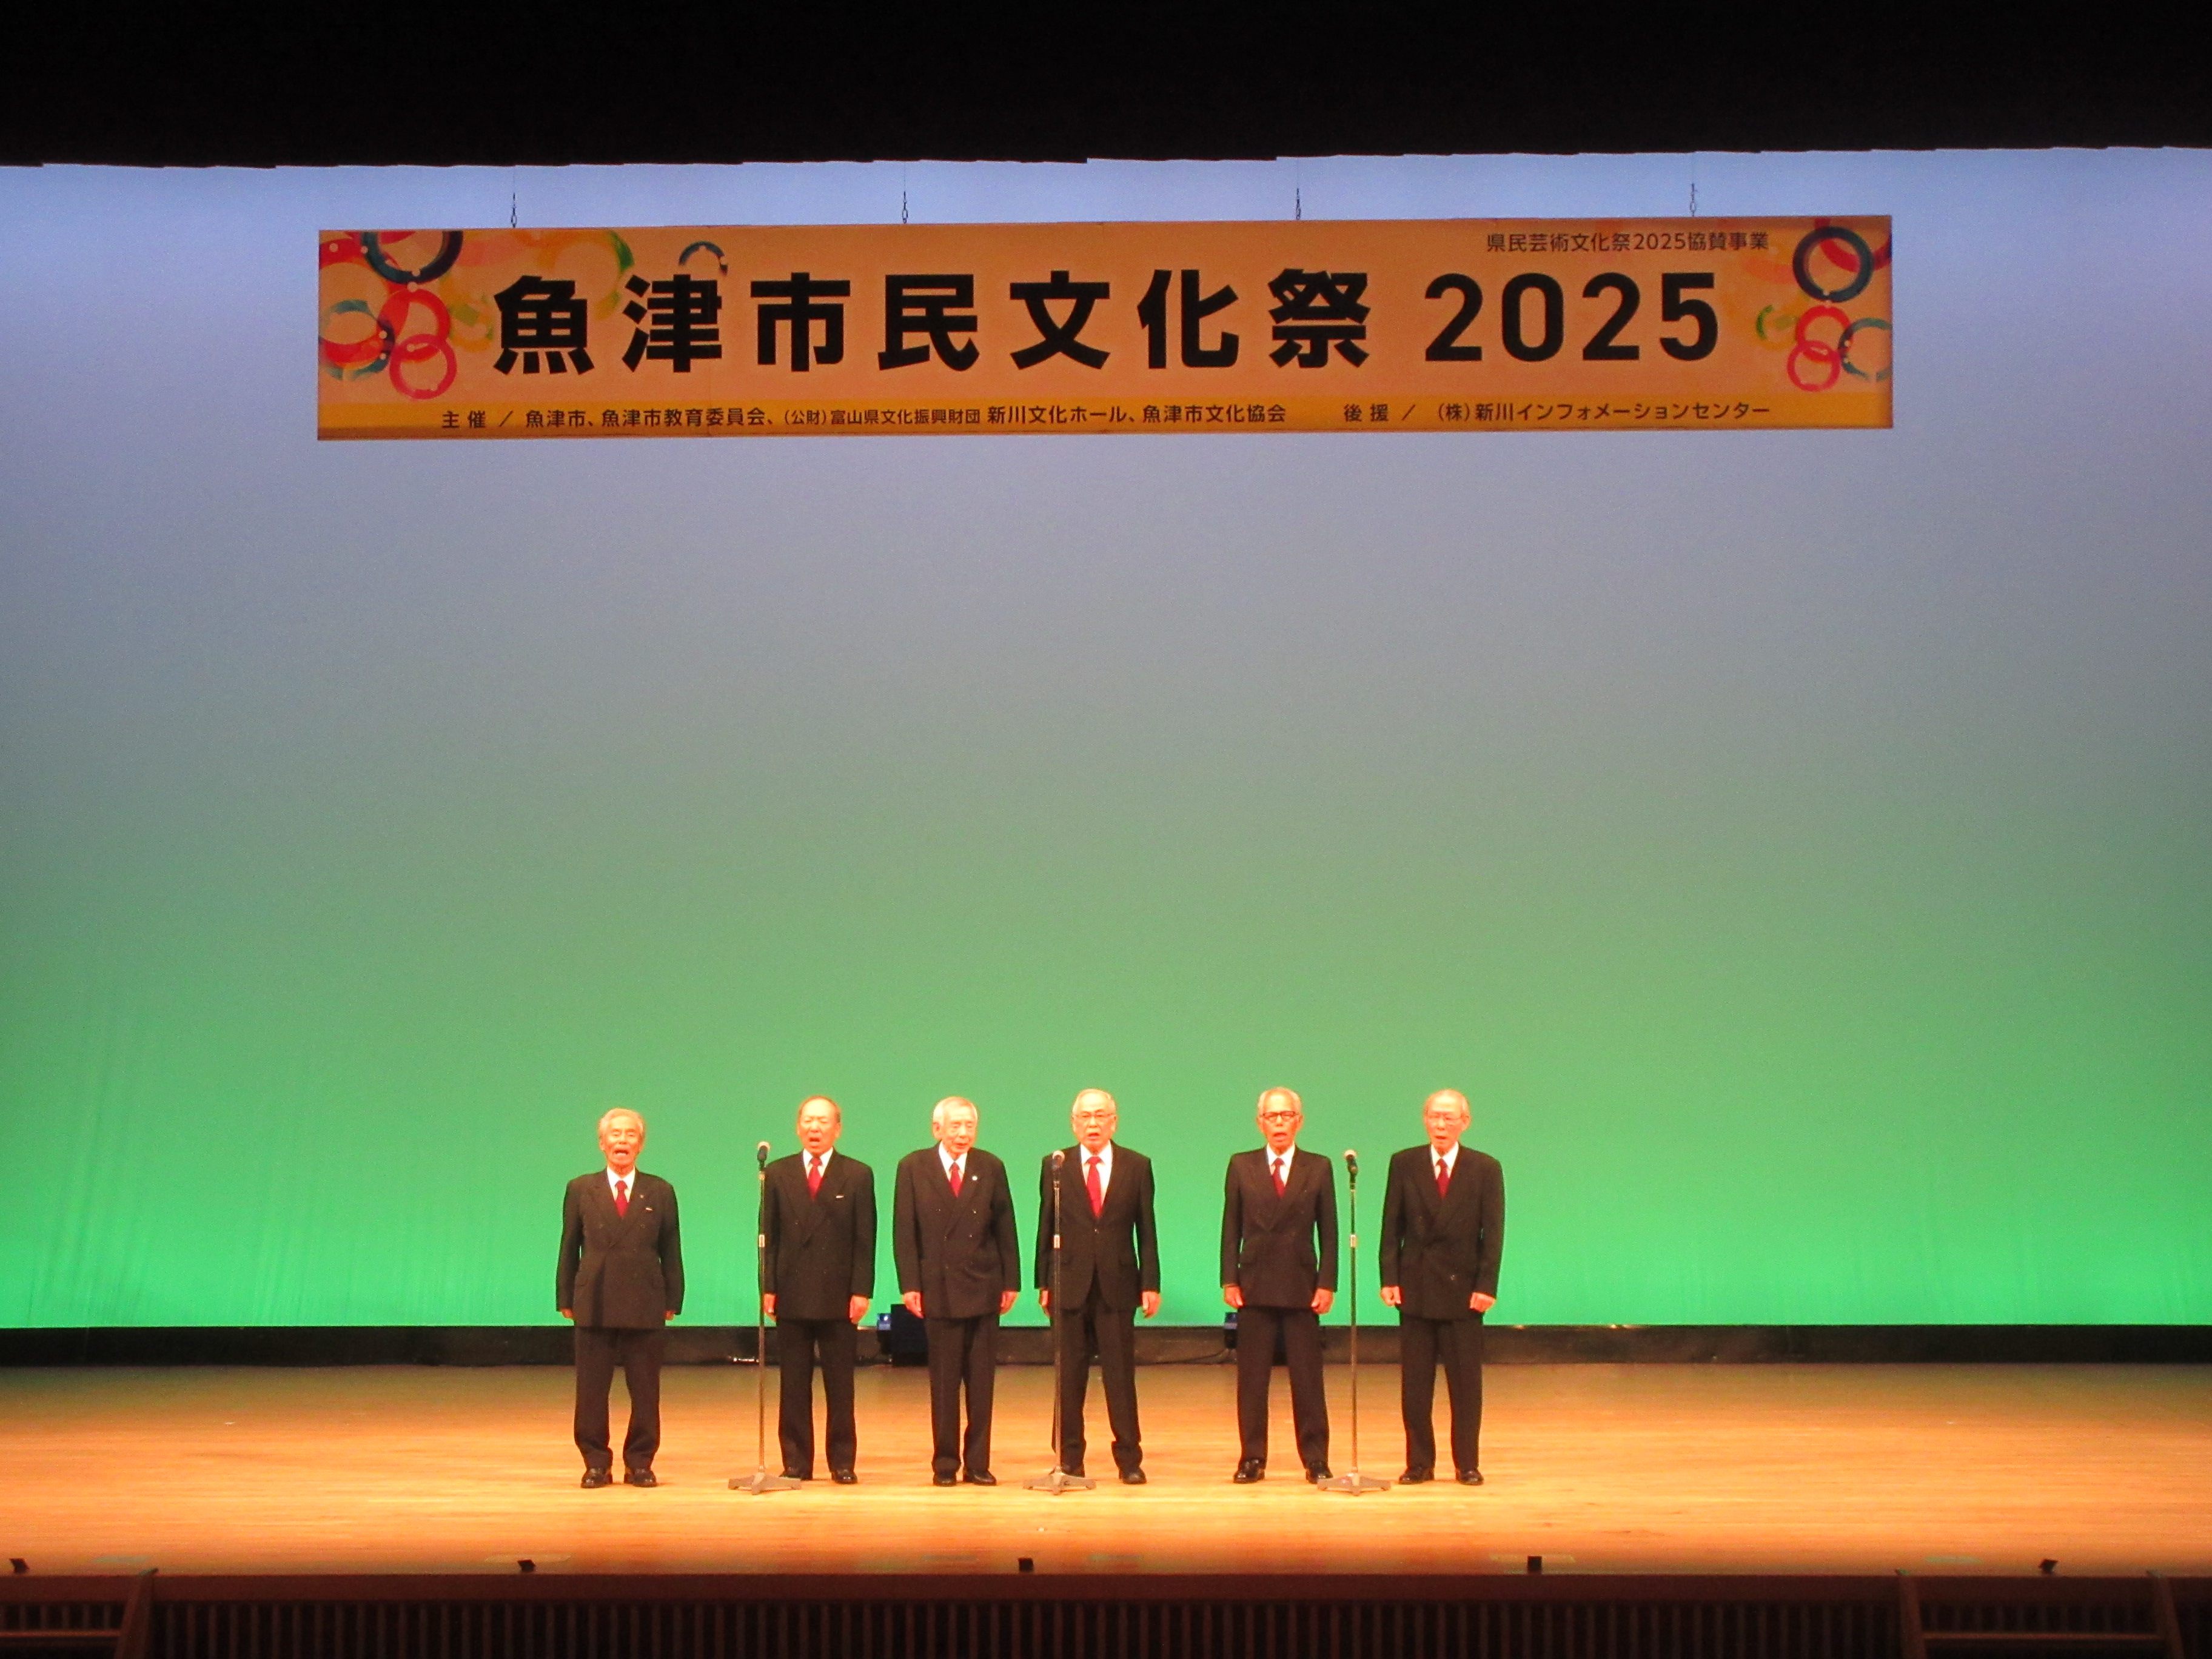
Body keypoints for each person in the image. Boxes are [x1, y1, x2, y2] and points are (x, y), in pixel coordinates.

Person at [1380, 1088, 1505, 1485]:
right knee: (1416, 1386)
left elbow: (1493, 1233)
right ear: (1425, 1120)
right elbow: (1391, 1226)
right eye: (1434, 1116)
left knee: (1466, 1386)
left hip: (1463, 1292)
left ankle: (1467, 1463)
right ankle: (1419, 1463)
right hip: (1415, 1288)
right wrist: (1389, 1277)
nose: (1440, 1124)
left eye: (1449, 1118)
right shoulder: (1405, 1163)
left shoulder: (1485, 1168)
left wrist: (1486, 1285)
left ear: (1464, 1123)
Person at [1034, 1088, 1161, 1483]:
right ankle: (1069, 1459)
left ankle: (1129, 1460)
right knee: (1068, 1378)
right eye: (1085, 1117)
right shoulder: (1056, 1166)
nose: (1093, 1123)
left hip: (1117, 1284)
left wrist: (1150, 1282)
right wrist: (1043, 1281)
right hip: (1069, 1282)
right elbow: (1045, 1225)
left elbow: (1147, 1229)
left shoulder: (1136, 1166)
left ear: (1114, 1122)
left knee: (1120, 1377)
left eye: (1101, 1115)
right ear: (1074, 1124)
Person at [892, 1097, 1020, 1486]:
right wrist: (910, 1284)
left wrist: (1011, 1281)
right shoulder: (913, 1167)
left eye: (969, 1126)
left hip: (983, 1286)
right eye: (955, 1126)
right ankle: (945, 1464)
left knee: (981, 1384)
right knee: (945, 1383)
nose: (963, 1134)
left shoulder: (990, 1166)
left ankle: (978, 1463)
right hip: (939, 1289)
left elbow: (1005, 1227)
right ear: (937, 1129)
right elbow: (905, 1231)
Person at [557, 1107, 683, 1488]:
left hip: (645, 1300)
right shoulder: (581, 1188)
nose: (622, 1141)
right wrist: (565, 1295)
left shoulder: (660, 1190)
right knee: (591, 1391)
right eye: (615, 1134)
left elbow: (671, 1248)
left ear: (640, 1145)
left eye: (630, 1135)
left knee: (645, 1391)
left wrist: (673, 1297)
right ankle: (596, 1462)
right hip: (594, 1299)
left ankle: (640, 1463)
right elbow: (569, 1245)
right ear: (602, 1143)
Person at [1219, 1087, 1337, 1483]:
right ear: (1260, 1123)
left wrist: (1327, 1282)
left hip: (1302, 1286)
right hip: (1254, 1285)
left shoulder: (1318, 1167)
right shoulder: (1242, 1165)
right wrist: (1229, 1278)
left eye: (1287, 1116)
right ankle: (1252, 1458)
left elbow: (1329, 1231)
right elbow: (1231, 1226)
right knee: (1252, 1380)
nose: (1280, 1123)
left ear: (1299, 1121)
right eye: (1272, 1116)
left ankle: (1316, 1458)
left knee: (1308, 1379)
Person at [762, 1095, 876, 1483]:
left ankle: (842, 1461)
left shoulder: (857, 1174)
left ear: (837, 1129)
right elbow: (769, 1236)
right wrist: (768, 1285)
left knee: (840, 1385)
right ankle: (796, 1461)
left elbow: (865, 1239)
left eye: (824, 1121)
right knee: (793, 1385)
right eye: (809, 1121)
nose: (815, 1128)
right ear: (798, 1127)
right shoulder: (777, 1174)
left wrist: (861, 1290)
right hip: (791, 1292)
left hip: (839, 1295)